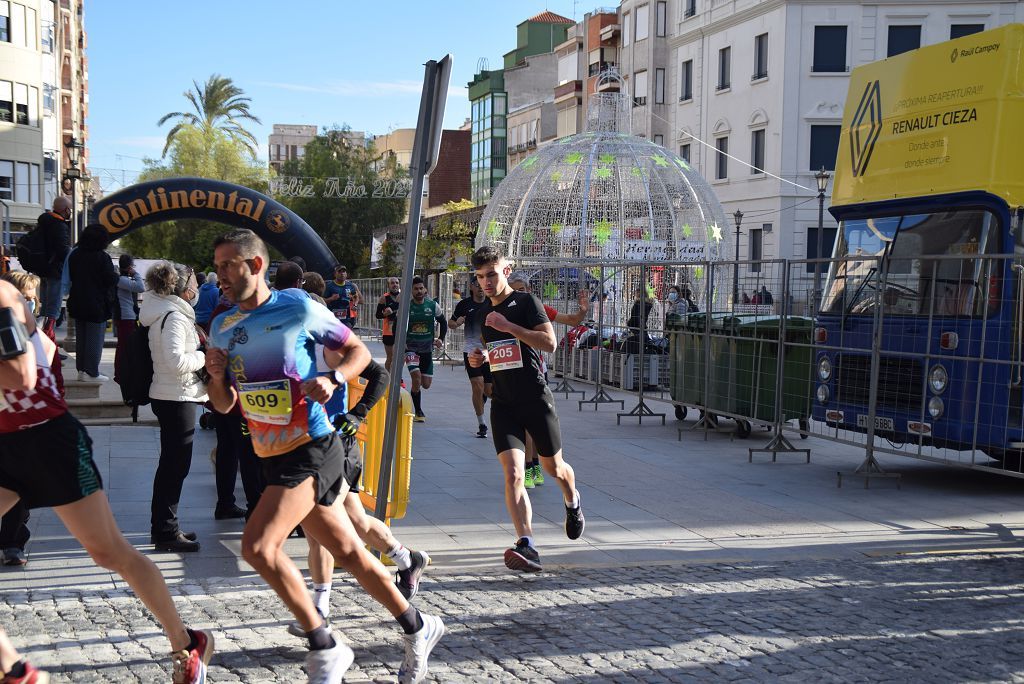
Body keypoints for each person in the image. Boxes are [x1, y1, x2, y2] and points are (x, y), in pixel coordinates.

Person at [206, 229, 443, 683]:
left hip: (314, 447)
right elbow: (222, 404)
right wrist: (215, 377)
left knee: (257, 546)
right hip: (269, 453)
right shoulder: (222, 326)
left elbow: (359, 351)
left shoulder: (296, 306)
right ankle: (418, 625)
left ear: (255, 265)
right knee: (351, 552)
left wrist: (334, 381)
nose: (220, 275)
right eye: (217, 266)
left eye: (227, 265)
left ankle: (325, 645)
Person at [0, 279, 214, 683]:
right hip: (5, 442)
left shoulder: (2, 297)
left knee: (108, 552)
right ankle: (15, 671)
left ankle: (187, 642)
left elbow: (21, 374)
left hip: (48, 439)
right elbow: (43, 352)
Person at [289, 352, 431, 636]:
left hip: (336, 447)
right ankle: (407, 558)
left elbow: (381, 374)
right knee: (358, 521)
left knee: (319, 531)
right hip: (304, 449)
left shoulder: (327, 341)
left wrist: (358, 413)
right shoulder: (277, 340)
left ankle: (319, 611)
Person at [468, 246, 585, 572]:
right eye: (480, 277)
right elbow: (502, 352)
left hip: (535, 399)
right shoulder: (484, 316)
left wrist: (510, 327)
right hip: (504, 404)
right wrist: (483, 359)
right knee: (514, 474)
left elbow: (550, 343)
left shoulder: (527, 303)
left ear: (505, 270)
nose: (486, 282)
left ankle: (572, 501)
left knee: (554, 469)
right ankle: (527, 544)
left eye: (491, 274)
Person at [140, 262, 210, 551]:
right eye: (193, 282)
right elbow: (177, 361)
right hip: (176, 396)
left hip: (172, 395)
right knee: (174, 466)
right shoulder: (175, 317)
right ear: (182, 288)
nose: (196, 288)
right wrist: (204, 356)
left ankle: (166, 527)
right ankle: (166, 531)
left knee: (172, 465)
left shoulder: (166, 312)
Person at [507, 272, 589, 487]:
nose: (518, 295)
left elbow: (570, 320)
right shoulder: (502, 311)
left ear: (530, 291)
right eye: (514, 291)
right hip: (510, 371)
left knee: (531, 422)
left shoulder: (537, 308)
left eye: (521, 290)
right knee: (521, 423)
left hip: (534, 371)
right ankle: (530, 465)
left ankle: (531, 466)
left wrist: (582, 311)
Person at [0, 271, 39, 567]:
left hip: (22, 417)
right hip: (8, 412)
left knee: (18, 483)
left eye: (33, 297)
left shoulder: (31, 327)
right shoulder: (7, 321)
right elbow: (22, 376)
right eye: (25, 297)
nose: (31, 302)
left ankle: (13, 542)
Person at [66, 224, 118, 383]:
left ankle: (82, 369)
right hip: (96, 304)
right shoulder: (102, 257)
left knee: (82, 338)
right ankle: (91, 372)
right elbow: (110, 279)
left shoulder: (75, 255)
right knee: (95, 339)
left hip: (77, 301)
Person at [449, 277, 492, 438]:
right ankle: (482, 424)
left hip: (489, 351)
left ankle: (479, 402)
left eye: (482, 285)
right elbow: (450, 323)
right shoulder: (464, 305)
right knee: (477, 384)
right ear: (472, 288)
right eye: (477, 285)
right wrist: (457, 322)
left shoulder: (492, 303)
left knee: (488, 390)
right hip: (471, 350)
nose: (481, 288)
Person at [404, 276, 446, 423]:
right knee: (416, 377)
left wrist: (440, 338)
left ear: (425, 289)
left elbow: (443, 322)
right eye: (416, 289)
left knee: (426, 384)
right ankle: (418, 411)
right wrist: (401, 341)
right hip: (411, 349)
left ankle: (414, 392)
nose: (419, 291)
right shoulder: (406, 307)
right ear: (411, 291)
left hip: (427, 349)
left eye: (421, 288)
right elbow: (397, 325)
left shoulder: (433, 305)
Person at [35, 196, 72, 336]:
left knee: (44, 309)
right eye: (70, 209)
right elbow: (63, 250)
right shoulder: (58, 225)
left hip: (42, 270)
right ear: (66, 210)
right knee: (53, 311)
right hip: (55, 271)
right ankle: (49, 346)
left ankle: (43, 344)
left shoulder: (44, 222)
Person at [113, 254, 145, 400]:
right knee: (124, 347)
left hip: (127, 316)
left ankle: (122, 372)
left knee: (125, 347)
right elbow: (141, 287)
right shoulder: (122, 280)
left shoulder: (122, 279)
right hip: (126, 317)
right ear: (129, 266)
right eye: (132, 266)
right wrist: (136, 273)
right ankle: (120, 374)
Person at [376, 277, 401, 371]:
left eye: (397, 283)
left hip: (401, 329)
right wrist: (384, 314)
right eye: (392, 283)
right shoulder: (384, 298)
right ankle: (389, 377)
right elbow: (377, 315)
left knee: (399, 357)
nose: (395, 285)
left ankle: (398, 377)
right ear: (388, 285)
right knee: (391, 357)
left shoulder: (403, 296)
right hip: (389, 331)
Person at [324, 264, 361, 329]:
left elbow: (355, 298)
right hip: (333, 320)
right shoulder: (329, 286)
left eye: (344, 271)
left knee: (345, 337)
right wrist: (331, 299)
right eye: (339, 271)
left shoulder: (350, 286)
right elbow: (322, 300)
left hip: (347, 320)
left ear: (346, 274)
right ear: (335, 274)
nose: (342, 273)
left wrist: (355, 305)